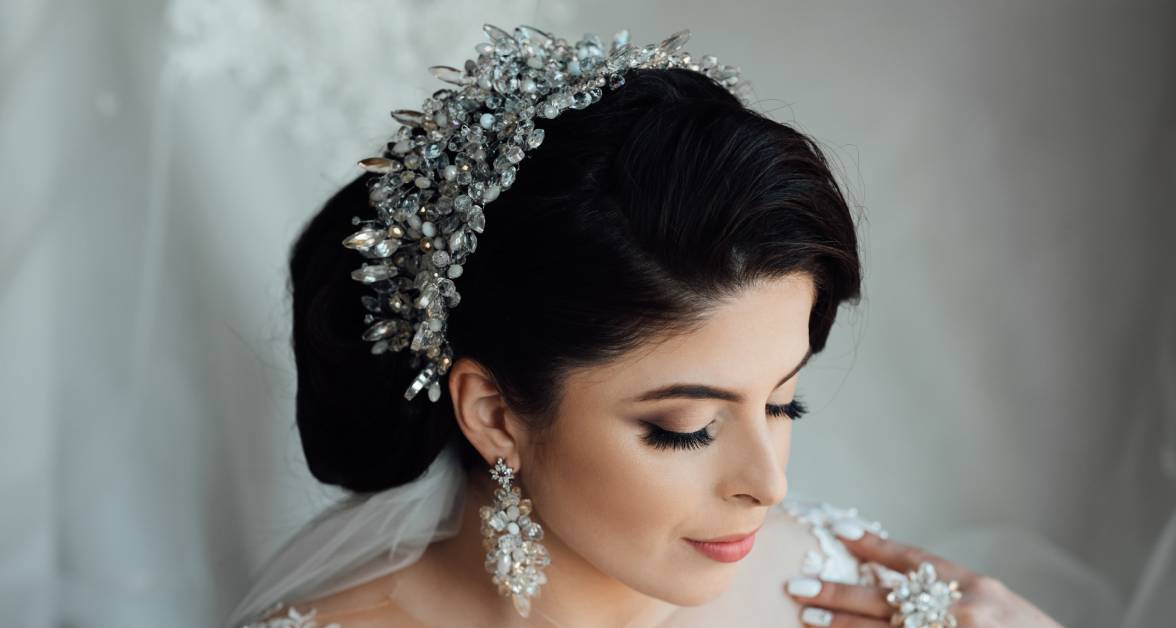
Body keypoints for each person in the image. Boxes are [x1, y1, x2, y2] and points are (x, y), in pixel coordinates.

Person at [226, 24, 1064, 628]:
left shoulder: (841, 596)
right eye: (685, 428)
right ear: (495, 413)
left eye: (783, 406)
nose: (767, 487)